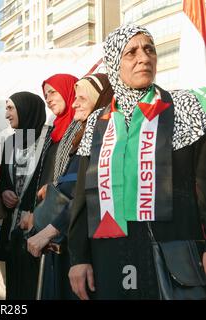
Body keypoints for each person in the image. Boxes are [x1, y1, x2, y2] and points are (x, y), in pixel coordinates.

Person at [68, 24, 206, 300]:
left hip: (173, 248)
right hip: (111, 253)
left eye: (149, 49)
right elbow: (83, 197)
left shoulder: (185, 107)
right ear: (114, 63)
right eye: (131, 52)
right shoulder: (98, 121)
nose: (144, 57)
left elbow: (203, 182)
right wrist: (78, 257)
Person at [26, 73, 113, 299]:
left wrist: (50, 229)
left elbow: (91, 193)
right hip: (67, 237)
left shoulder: (107, 136)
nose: (74, 103)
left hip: (88, 243)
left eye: (81, 98)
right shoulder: (78, 134)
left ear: (100, 99)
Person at [0, 91, 50, 300]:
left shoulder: (49, 140)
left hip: (37, 229)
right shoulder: (10, 142)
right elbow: (6, 182)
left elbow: (49, 179)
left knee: (34, 288)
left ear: (26, 109)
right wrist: (5, 192)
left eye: (10, 108)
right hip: (13, 233)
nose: (7, 114)